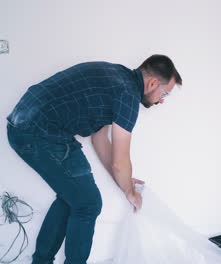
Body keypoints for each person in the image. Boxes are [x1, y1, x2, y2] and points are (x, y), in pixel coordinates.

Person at [6, 54, 182, 264]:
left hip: (25, 123)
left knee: (72, 197)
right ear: (153, 83)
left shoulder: (116, 76)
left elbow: (100, 141)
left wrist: (125, 181)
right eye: (164, 94)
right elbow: (120, 160)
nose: (162, 100)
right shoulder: (127, 96)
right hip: (38, 131)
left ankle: (41, 261)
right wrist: (130, 192)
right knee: (88, 204)